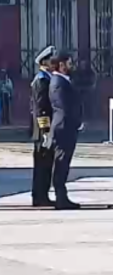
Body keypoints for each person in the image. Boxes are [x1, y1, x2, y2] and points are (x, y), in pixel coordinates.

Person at [49, 52, 83, 210]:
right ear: (61, 65)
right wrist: (76, 122)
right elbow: (64, 108)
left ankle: (63, 196)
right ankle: (60, 198)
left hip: (68, 127)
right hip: (64, 127)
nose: (72, 66)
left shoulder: (64, 81)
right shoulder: (57, 82)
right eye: (69, 63)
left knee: (64, 163)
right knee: (61, 163)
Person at [30, 46, 56, 207]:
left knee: (46, 164)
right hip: (41, 130)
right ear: (45, 62)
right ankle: (39, 196)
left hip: (44, 129)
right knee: (42, 164)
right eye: (52, 59)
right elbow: (41, 108)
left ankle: (42, 195)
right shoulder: (41, 80)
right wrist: (46, 130)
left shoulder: (47, 78)